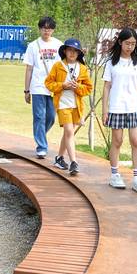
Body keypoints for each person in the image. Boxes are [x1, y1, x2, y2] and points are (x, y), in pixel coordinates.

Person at [102, 27, 137, 193]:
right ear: (120, 42)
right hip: (116, 107)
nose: (130, 47)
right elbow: (106, 87)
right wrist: (104, 110)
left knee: (136, 141)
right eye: (127, 43)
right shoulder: (111, 63)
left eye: (133, 44)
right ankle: (115, 175)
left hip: (134, 107)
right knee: (117, 141)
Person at [45, 38, 93, 176]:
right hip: (62, 104)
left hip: (76, 106)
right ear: (64, 51)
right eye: (70, 50)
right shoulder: (58, 66)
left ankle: (59, 157)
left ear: (79, 54)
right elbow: (48, 83)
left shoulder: (82, 69)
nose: (72, 53)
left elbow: (88, 88)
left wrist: (78, 87)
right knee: (69, 132)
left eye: (75, 51)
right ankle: (74, 162)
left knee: (68, 133)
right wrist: (62, 86)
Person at [22, 16, 62, 158]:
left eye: (49, 28)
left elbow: (62, 67)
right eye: (44, 28)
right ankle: (41, 146)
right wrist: (26, 90)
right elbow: (29, 69)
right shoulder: (33, 46)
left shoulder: (59, 45)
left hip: (54, 87)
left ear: (53, 29)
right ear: (40, 29)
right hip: (38, 86)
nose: (47, 31)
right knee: (39, 116)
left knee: (51, 117)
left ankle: (39, 134)